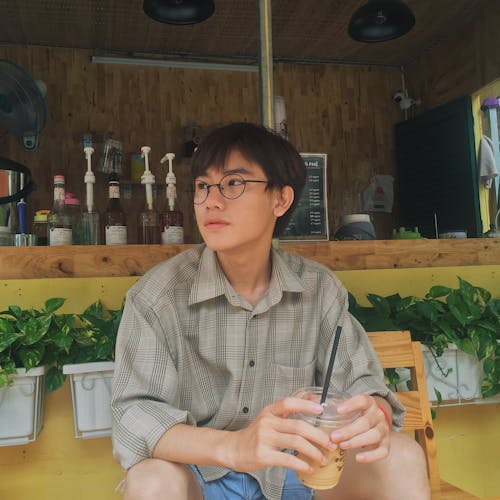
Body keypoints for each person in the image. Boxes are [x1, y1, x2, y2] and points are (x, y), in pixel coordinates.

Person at [111, 122, 430, 500]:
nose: (211, 201)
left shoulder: (319, 290)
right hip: (203, 474)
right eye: (202, 186)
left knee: (404, 458)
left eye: (233, 183)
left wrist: (372, 412)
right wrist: (234, 448)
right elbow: (135, 415)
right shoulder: (157, 296)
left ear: (280, 200)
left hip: (301, 470)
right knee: (150, 482)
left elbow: (361, 386)